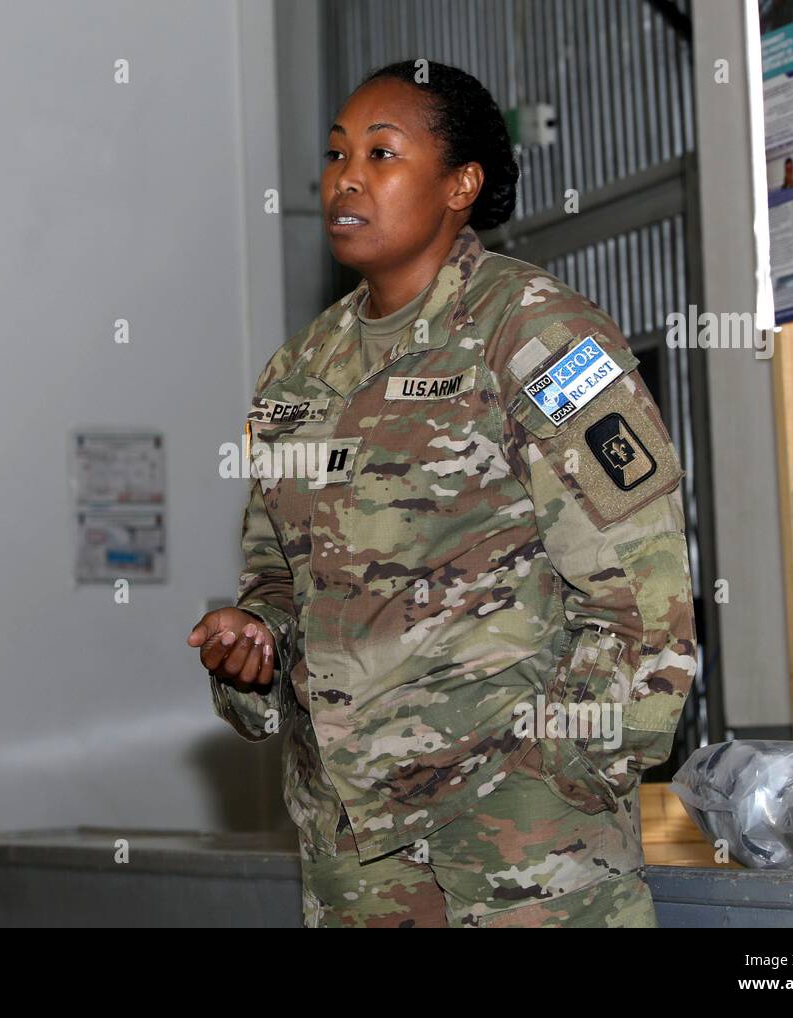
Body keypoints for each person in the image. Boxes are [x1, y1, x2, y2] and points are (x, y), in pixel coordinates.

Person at [188, 59, 697, 927]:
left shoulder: (534, 333)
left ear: (461, 184)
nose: (346, 178)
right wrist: (252, 642)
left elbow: (643, 590)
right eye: (337, 154)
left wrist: (562, 781)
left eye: (382, 154)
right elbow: (278, 578)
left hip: (516, 839)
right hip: (353, 848)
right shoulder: (298, 374)